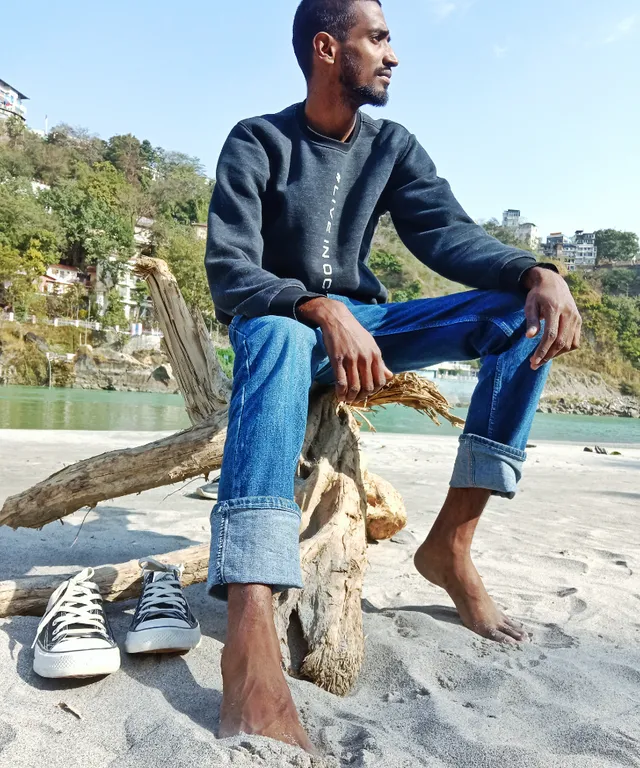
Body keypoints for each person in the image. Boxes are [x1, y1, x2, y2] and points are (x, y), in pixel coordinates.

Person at [204, 0, 581, 751]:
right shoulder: (257, 141)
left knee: (517, 315)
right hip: (281, 324)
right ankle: (248, 625)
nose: (393, 54)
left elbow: (447, 234)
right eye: (377, 37)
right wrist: (316, 306)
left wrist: (536, 270)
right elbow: (229, 271)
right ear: (325, 48)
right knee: (279, 333)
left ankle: (452, 546)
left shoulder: (391, 145)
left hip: (368, 327)